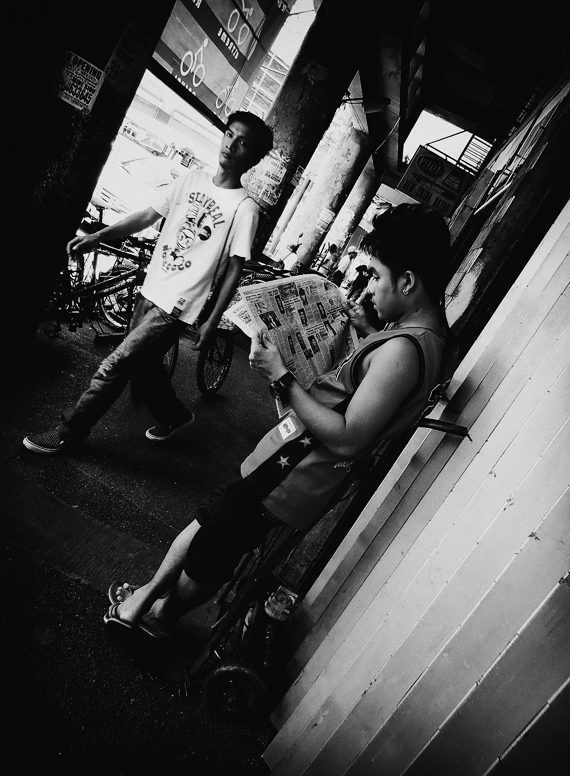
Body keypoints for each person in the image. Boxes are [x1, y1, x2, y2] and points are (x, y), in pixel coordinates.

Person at [102, 203, 460, 638]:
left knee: (210, 554)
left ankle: (157, 616)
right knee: (206, 524)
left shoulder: (404, 351)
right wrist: (366, 334)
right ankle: (146, 597)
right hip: (283, 460)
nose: (370, 291)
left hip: (292, 475)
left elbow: (348, 438)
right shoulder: (425, 340)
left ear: (407, 281)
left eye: (378, 279)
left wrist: (281, 376)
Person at [24, 112, 273, 455]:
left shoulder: (244, 208)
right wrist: (99, 236)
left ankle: (72, 429)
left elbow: (234, 268)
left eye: (242, 142)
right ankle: (173, 415)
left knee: (116, 364)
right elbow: (147, 215)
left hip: (177, 305)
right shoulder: (192, 179)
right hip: (151, 288)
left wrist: (212, 322)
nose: (230, 144)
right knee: (142, 365)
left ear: (254, 157)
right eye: (229, 134)